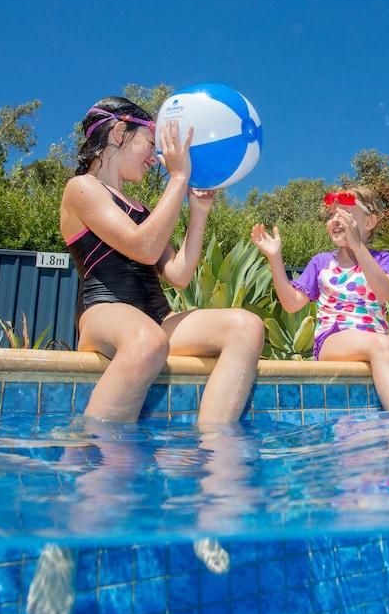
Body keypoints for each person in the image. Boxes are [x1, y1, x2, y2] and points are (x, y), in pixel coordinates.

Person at [60, 96, 264, 422]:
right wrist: (178, 178)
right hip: (104, 312)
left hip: (157, 319)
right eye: (150, 144)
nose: (156, 158)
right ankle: (91, 451)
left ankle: (214, 449)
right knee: (146, 341)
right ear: (119, 133)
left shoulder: (141, 209)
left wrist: (199, 211)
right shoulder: (82, 188)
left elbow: (179, 274)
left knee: (246, 327)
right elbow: (143, 248)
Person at [250, 185, 389, 411]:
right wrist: (275, 258)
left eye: (345, 215)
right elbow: (291, 304)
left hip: (377, 337)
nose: (336, 221)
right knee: (381, 344)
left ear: (369, 223)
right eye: (332, 216)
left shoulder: (381, 259)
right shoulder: (322, 262)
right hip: (334, 339)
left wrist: (358, 246)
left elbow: (384, 293)